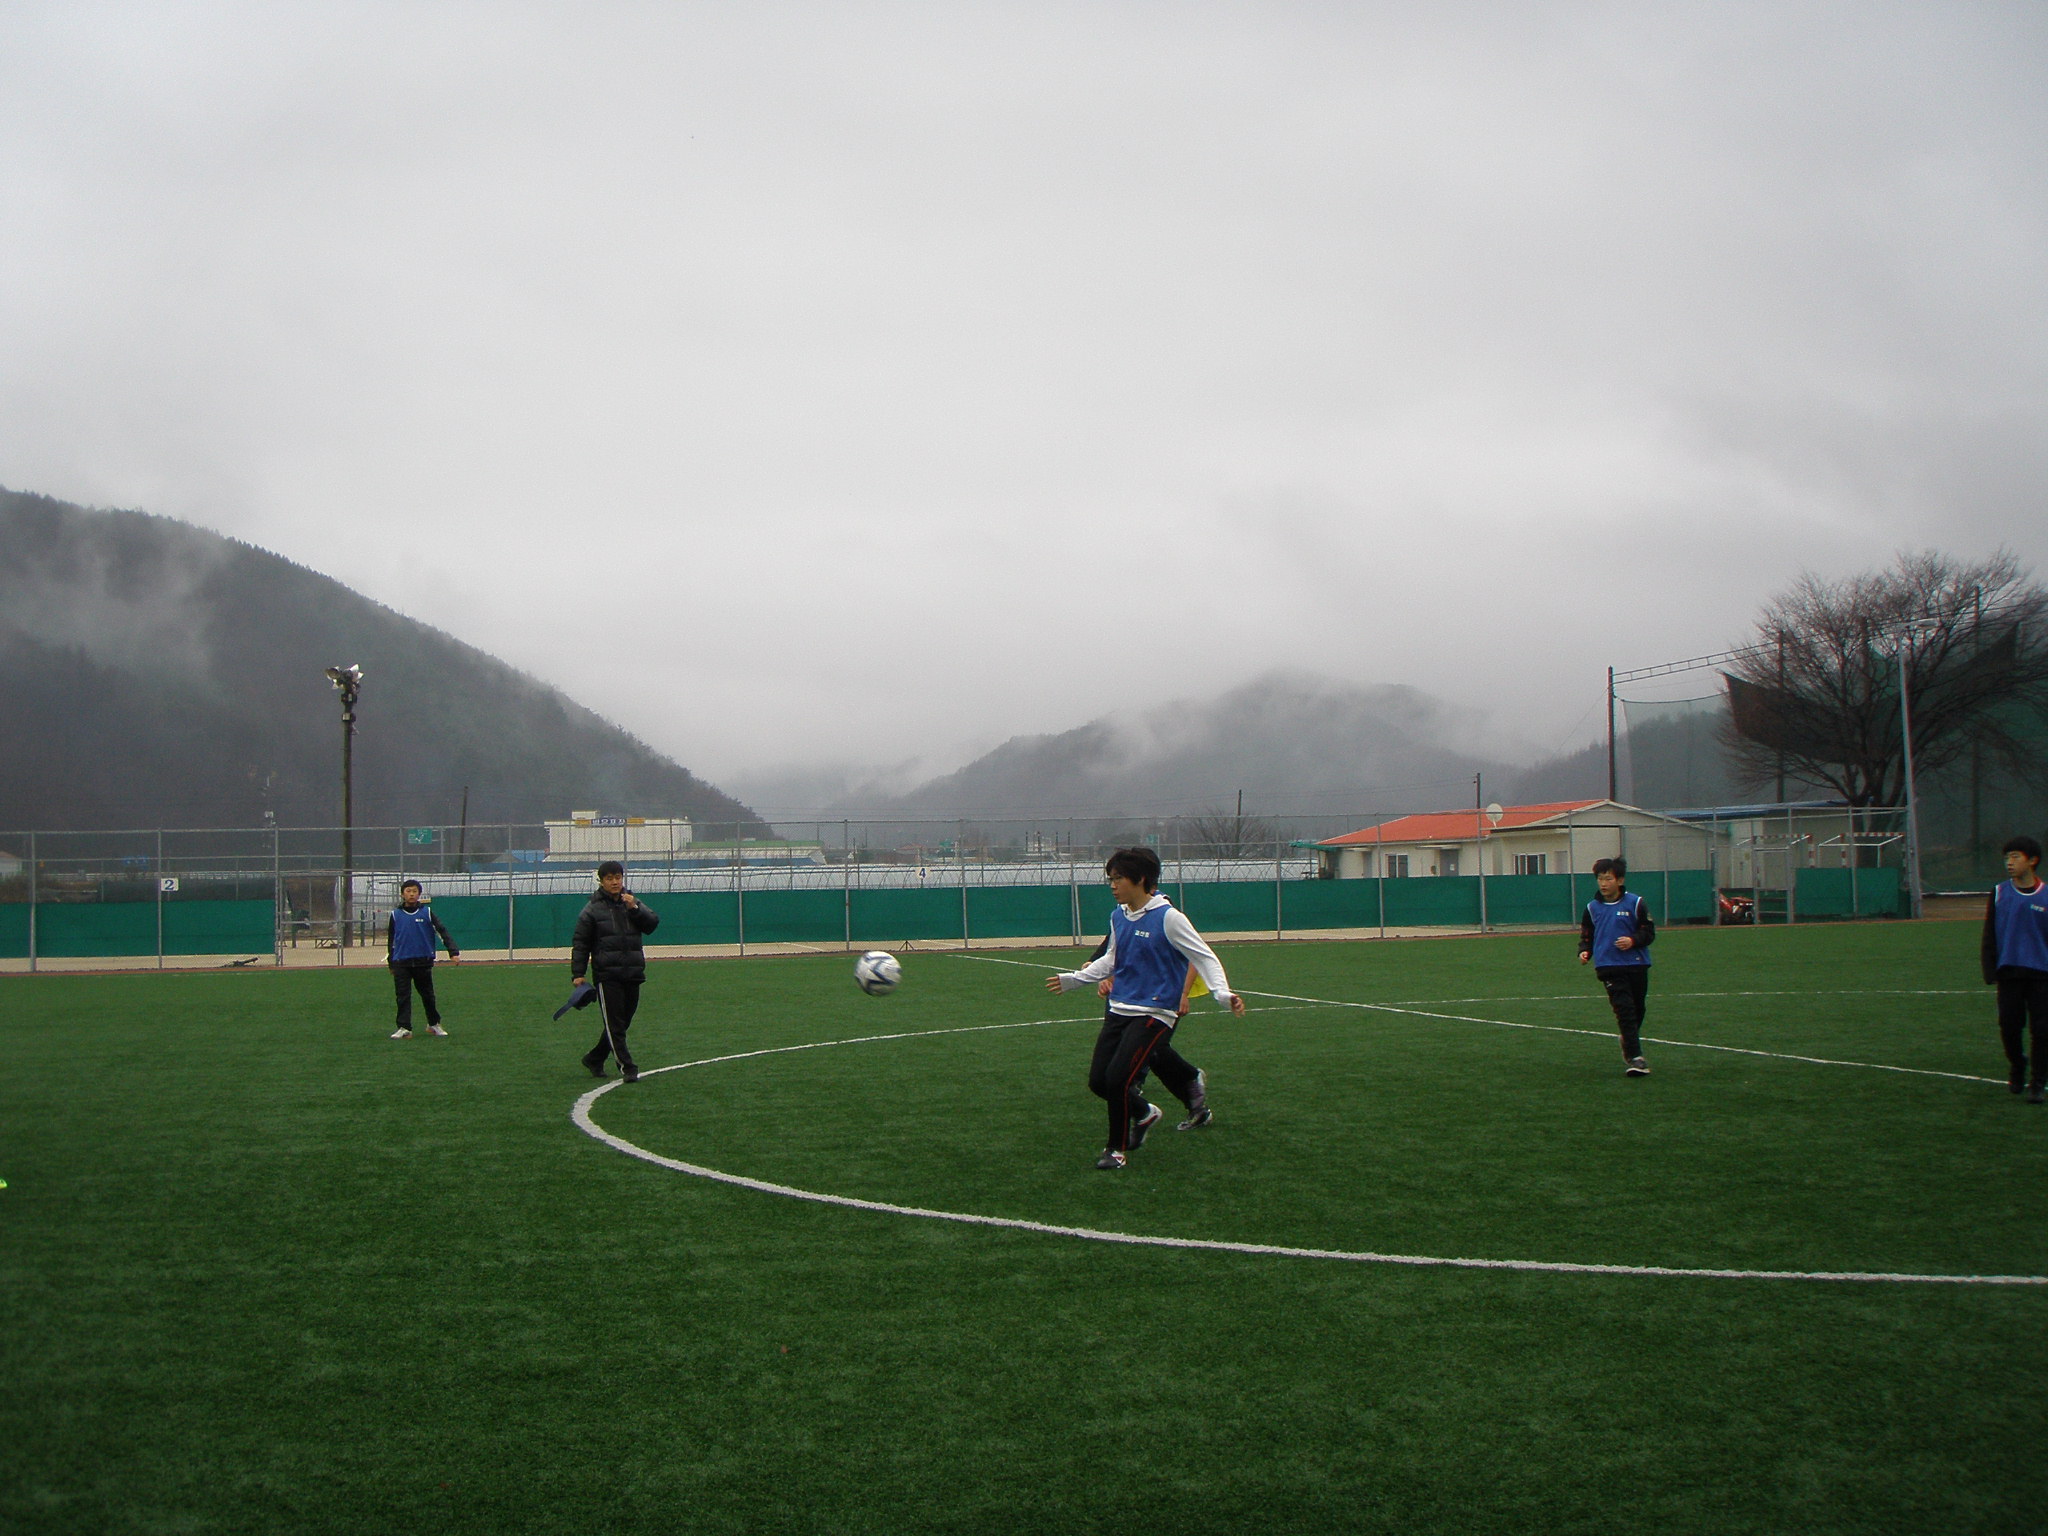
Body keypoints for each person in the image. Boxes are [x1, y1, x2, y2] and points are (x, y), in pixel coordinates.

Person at [1046, 847, 1245, 1170]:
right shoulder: (1118, 916)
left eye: (1118, 879)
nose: (1112, 885)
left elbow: (1204, 956)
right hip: (1119, 1008)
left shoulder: (1168, 917)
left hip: (1155, 1013)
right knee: (1099, 1082)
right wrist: (1076, 979)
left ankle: (1116, 1150)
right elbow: (1112, 960)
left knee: (1118, 1080)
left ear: (1140, 880)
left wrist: (1222, 994)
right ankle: (1145, 1112)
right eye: (1110, 879)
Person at [571, 860, 661, 1083]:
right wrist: (578, 974)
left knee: (623, 1021)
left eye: (617, 877)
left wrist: (635, 909)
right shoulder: (591, 910)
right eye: (609, 878)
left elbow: (651, 925)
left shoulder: (631, 901)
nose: (615, 882)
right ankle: (627, 1067)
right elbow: (581, 943)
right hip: (607, 974)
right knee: (615, 1024)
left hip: (632, 971)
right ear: (601, 881)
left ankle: (595, 1058)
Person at [1981, 835, 2048, 1104]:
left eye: (2015, 857)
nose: (2009, 862)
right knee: (2009, 1026)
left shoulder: (2046, 894)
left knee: (2043, 1030)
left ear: (2032, 861)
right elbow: (1990, 935)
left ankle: (2038, 1082)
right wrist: (1990, 970)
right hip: (2009, 972)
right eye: (2007, 858)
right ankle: (2018, 1064)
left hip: (2042, 974)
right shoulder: (1999, 893)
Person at [1578, 856, 1654, 1075]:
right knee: (1625, 1010)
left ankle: (1627, 1040)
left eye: (1608, 878)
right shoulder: (1592, 908)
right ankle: (1636, 1057)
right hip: (1608, 966)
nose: (1603, 883)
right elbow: (1587, 935)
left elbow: (1648, 932)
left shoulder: (1636, 903)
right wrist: (1585, 951)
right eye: (1600, 879)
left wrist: (1633, 940)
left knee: (1638, 1008)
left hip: (1636, 964)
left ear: (1619, 880)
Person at [386, 878, 459, 1039]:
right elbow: (392, 940)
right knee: (402, 996)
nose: (411, 894)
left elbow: (442, 931)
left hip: (422, 961)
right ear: (402, 894)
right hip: (401, 962)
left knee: (428, 995)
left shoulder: (426, 913)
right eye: (408, 891)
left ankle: (434, 1024)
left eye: (414, 891)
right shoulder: (395, 915)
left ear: (419, 894)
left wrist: (453, 951)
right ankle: (404, 1027)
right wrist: (391, 962)